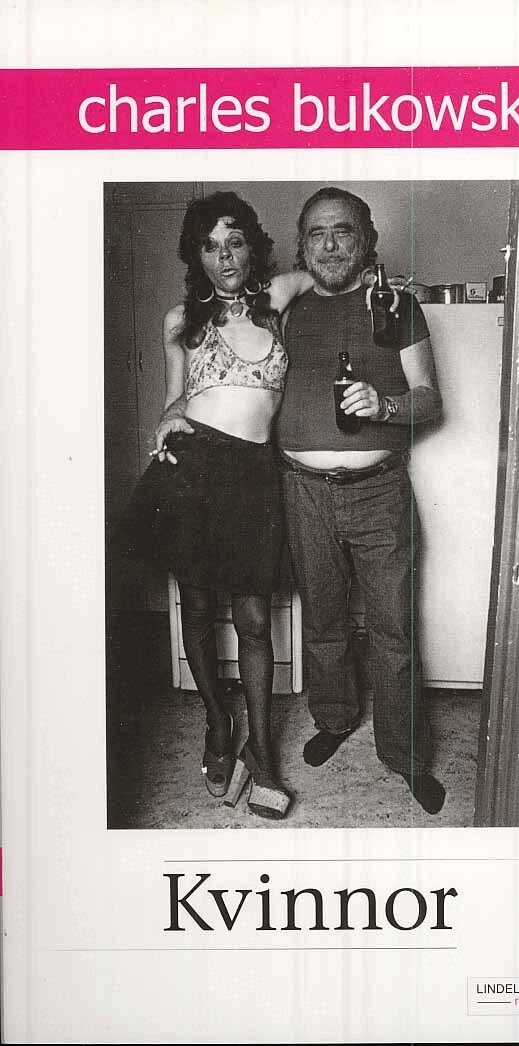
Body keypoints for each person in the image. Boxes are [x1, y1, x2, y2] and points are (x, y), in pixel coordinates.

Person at [121, 190, 312, 820]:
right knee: (199, 608)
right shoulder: (181, 320)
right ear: (196, 256)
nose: (224, 256)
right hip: (194, 471)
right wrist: (164, 421)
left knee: (254, 619)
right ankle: (216, 722)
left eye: (234, 242)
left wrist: (376, 281)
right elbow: (175, 398)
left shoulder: (278, 299)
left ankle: (263, 749)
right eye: (210, 246)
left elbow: (330, 270)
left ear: (252, 247)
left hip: (255, 475)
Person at [275, 186, 446, 815]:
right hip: (301, 491)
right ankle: (335, 716)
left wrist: (385, 404)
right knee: (323, 622)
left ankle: (404, 754)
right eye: (316, 233)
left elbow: (430, 399)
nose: (329, 245)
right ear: (303, 246)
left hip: (378, 494)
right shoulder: (287, 309)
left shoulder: (394, 305)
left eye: (342, 231)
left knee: (393, 630)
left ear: (366, 239)